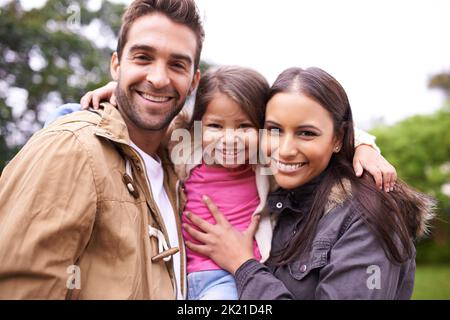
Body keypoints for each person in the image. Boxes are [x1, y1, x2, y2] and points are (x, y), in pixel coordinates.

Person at [73, 66, 398, 300]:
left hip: (228, 280)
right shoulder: (189, 152)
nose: (285, 148)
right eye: (274, 131)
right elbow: (152, 123)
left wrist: (364, 146)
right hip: (176, 276)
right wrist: (122, 95)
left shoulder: (264, 168)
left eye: (245, 126)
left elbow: (321, 122)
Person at [0, 0, 204, 299]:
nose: (159, 79)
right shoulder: (71, 147)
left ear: (193, 80)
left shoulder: (178, 169)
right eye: (143, 58)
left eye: (177, 65)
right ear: (116, 65)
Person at [183, 67, 435, 299]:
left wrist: (242, 265)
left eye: (306, 133)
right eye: (274, 130)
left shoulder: (366, 216)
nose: (286, 150)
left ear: (338, 138)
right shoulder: (283, 199)